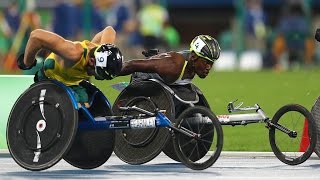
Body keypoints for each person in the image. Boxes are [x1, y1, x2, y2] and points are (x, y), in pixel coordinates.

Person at [17, 26, 221, 107]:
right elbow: (36, 35)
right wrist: (27, 62)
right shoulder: (72, 52)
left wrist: (105, 55)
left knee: (89, 106)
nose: (93, 75)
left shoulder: (104, 49)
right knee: (76, 105)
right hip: (52, 77)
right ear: (90, 62)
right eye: (93, 71)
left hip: (74, 81)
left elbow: (109, 29)